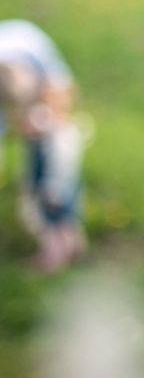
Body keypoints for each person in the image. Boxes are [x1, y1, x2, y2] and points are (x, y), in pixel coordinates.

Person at [0, 19, 86, 274]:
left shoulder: (41, 57)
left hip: (42, 98)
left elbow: (65, 96)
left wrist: (47, 119)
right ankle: (59, 238)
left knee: (54, 174)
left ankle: (62, 240)